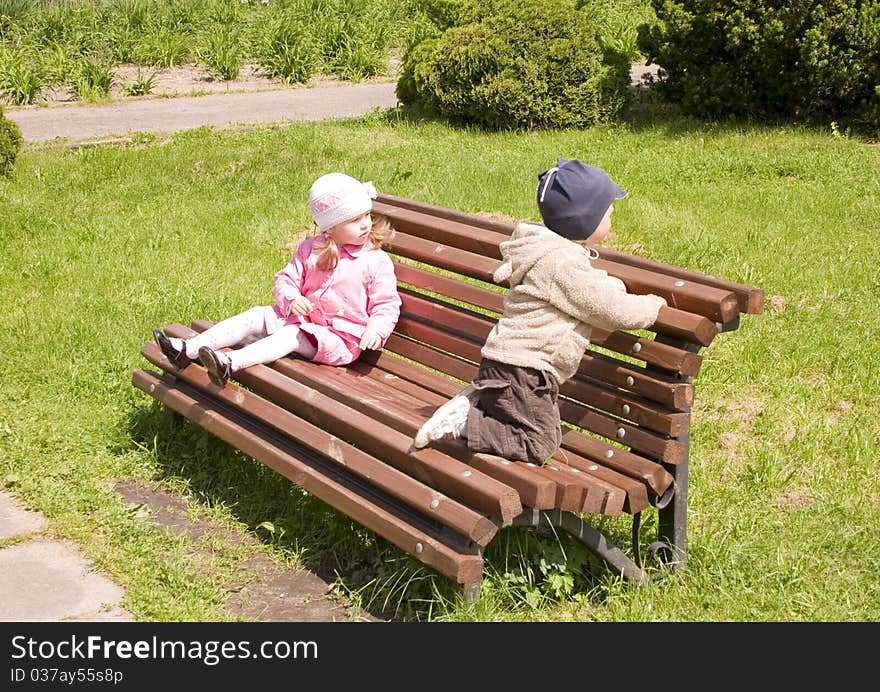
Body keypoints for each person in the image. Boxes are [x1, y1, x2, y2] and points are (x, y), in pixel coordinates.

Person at [412, 158, 668, 464]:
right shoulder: (561, 263)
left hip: (505, 365)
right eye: (608, 213)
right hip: (527, 372)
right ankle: (467, 422)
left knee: (530, 431)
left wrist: (609, 284)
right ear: (587, 220)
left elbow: (585, 290)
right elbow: (611, 310)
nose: (612, 218)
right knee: (539, 442)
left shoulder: (549, 254)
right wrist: (651, 307)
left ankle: (475, 408)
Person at [153, 172, 402, 386]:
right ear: (330, 228)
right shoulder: (311, 249)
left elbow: (386, 303)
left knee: (291, 336)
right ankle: (189, 349)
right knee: (256, 315)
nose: (365, 225)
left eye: (367, 216)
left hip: (340, 340)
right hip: (303, 319)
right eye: (354, 220)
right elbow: (286, 279)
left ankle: (229, 363)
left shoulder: (375, 261)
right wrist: (292, 299)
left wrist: (375, 329)